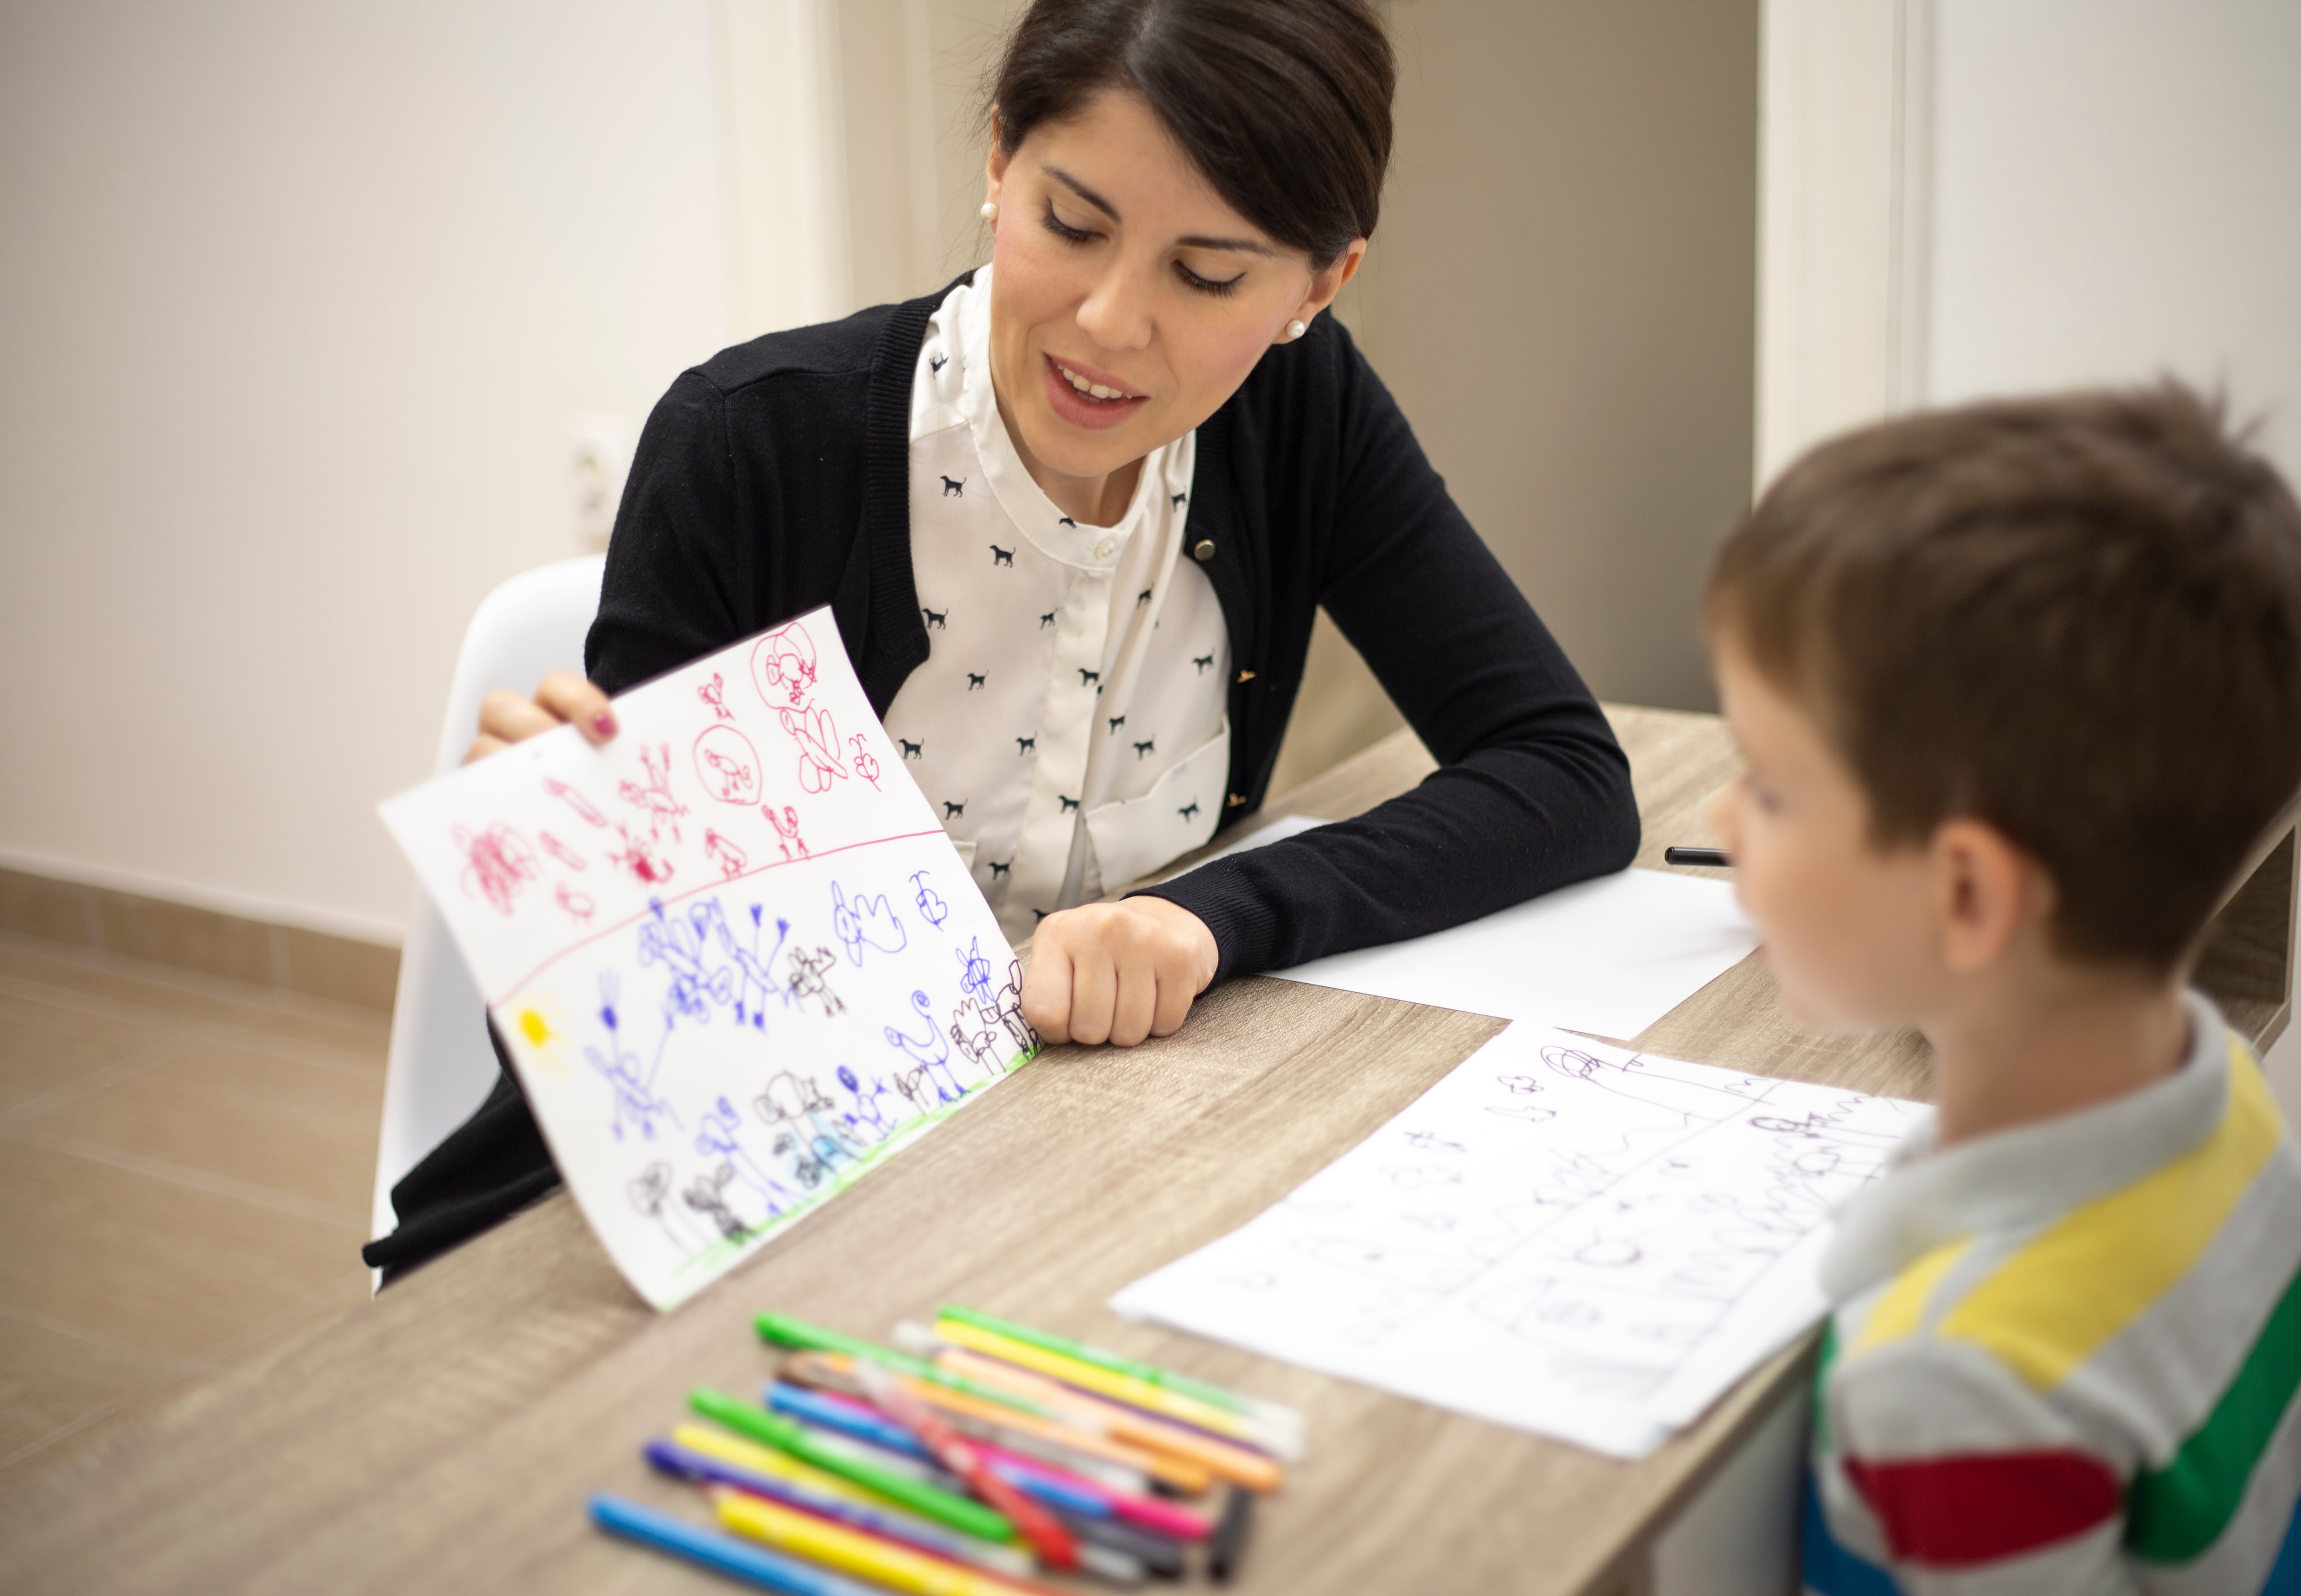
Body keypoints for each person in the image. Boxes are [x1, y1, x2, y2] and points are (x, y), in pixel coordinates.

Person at [365, 0, 1639, 1279]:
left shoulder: (1302, 416)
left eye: (1206, 274)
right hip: (733, 1215)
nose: (1106, 321)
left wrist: (1210, 917)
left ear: (1320, 283)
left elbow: (1564, 774)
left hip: (1084, 1167)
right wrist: (574, 867)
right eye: (1070, 225)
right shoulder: (749, 444)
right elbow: (651, 1045)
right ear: (997, 163)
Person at [1700, 384, 2301, 1593]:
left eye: (1770, 788)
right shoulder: (2227, 1100)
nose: (1717, 817)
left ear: (1965, 896)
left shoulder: (1955, 1384)